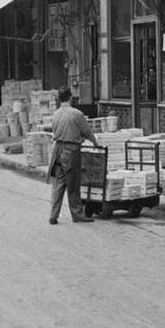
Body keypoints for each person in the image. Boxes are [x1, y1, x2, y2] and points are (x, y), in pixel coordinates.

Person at [47, 87, 100, 225]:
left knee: (58, 184)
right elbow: (87, 131)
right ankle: (77, 214)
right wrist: (95, 143)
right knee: (73, 185)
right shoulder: (76, 114)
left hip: (58, 151)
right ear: (70, 97)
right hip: (71, 151)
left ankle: (53, 215)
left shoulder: (56, 114)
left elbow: (54, 130)